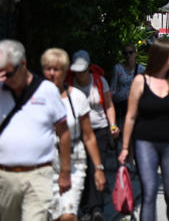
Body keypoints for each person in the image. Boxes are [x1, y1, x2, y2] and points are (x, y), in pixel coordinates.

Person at [119, 38, 169, 221]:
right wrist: (126, 147)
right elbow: (131, 116)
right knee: (149, 192)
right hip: (145, 142)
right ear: (162, 56)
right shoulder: (140, 81)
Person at [0, 39, 71, 221]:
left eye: (7, 74)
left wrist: (65, 172)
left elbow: (63, 131)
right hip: (4, 177)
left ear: (22, 64)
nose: (2, 79)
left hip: (39, 174)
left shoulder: (47, 91)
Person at [42, 48, 106, 221]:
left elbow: (88, 135)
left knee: (68, 215)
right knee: (50, 215)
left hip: (74, 159)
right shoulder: (34, 98)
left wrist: (98, 168)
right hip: (44, 162)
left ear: (65, 71)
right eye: (48, 68)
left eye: (57, 69)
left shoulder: (77, 97)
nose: (52, 73)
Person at [69, 50, 119, 220]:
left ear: (88, 68)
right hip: (78, 131)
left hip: (99, 129)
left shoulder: (99, 81)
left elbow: (109, 105)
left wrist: (112, 125)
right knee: (82, 169)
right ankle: (85, 208)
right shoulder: (70, 84)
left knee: (97, 167)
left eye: (82, 70)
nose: (80, 74)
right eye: (77, 71)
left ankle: (97, 208)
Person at [111, 44, 145, 131]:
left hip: (136, 107)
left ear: (135, 53)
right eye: (125, 53)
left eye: (130, 52)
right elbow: (113, 89)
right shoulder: (118, 68)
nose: (128, 55)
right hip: (120, 106)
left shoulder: (141, 69)